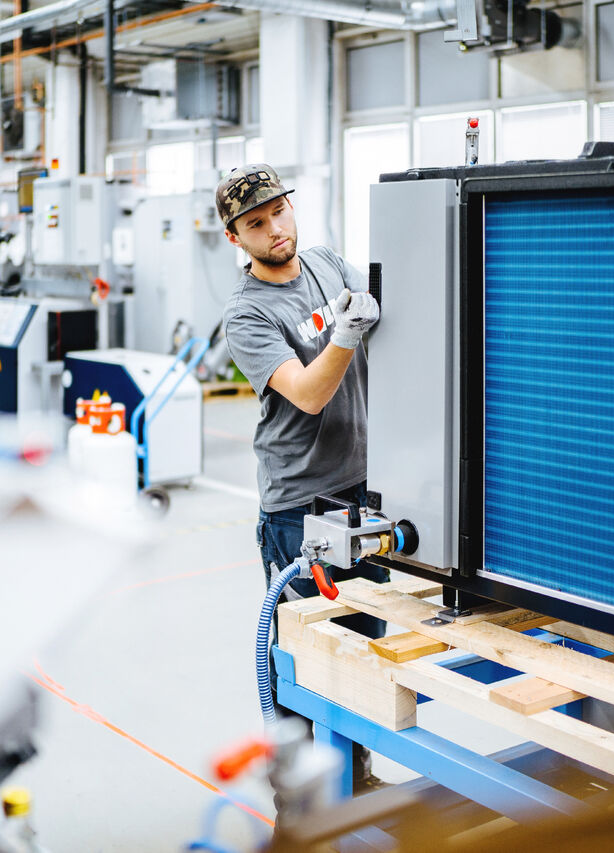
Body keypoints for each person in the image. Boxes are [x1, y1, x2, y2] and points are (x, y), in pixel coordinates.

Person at [217, 163, 388, 789]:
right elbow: (310, 395)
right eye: (256, 224)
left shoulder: (328, 264)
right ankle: (302, 807)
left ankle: (358, 781)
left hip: (363, 492)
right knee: (302, 662)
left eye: (279, 212)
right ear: (236, 238)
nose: (274, 229)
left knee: (365, 646)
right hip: (299, 509)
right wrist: (344, 332)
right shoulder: (247, 315)